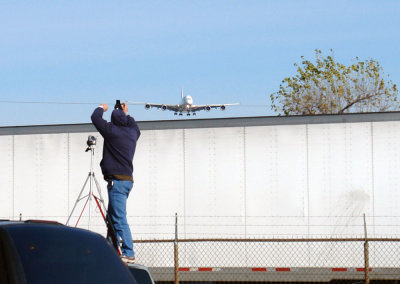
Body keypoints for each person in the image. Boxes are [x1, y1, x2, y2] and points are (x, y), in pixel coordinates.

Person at [91, 102, 140, 264]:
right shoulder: (133, 133)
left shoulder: (112, 131)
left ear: (113, 119)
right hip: (127, 181)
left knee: (118, 218)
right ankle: (111, 249)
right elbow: (135, 126)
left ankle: (128, 252)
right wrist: (126, 113)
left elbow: (95, 118)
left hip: (117, 182)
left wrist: (102, 108)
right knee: (112, 218)